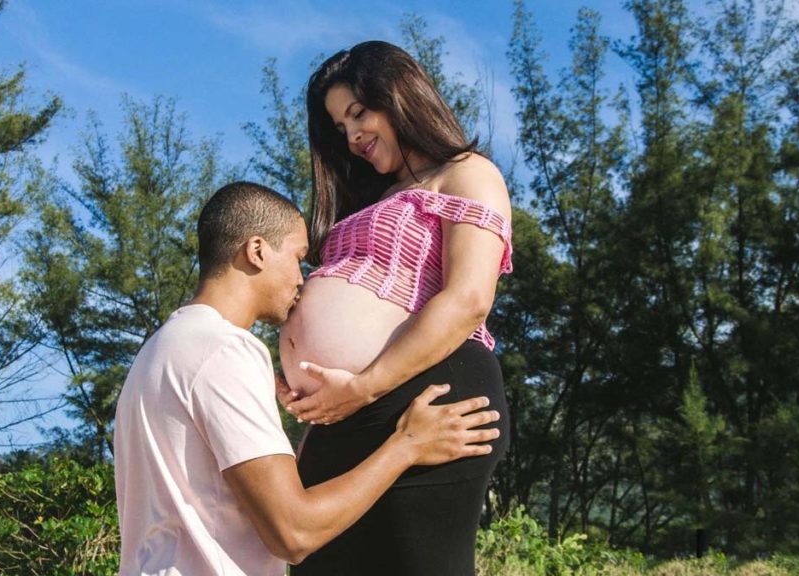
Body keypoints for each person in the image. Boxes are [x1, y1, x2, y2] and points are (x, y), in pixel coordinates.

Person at [113, 181, 502, 576]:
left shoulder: (160, 351)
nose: (303, 280)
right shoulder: (223, 350)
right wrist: (406, 445)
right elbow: (293, 534)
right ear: (257, 251)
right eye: (298, 257)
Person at [278, 40, 514, 575]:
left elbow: (470, 298)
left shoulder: (467, 173)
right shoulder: (372, 198)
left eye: (359, 113)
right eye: (340, 127)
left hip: (427, 392)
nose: (353, 135)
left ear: (400, 93)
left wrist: (363, 384)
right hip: (348, 414)